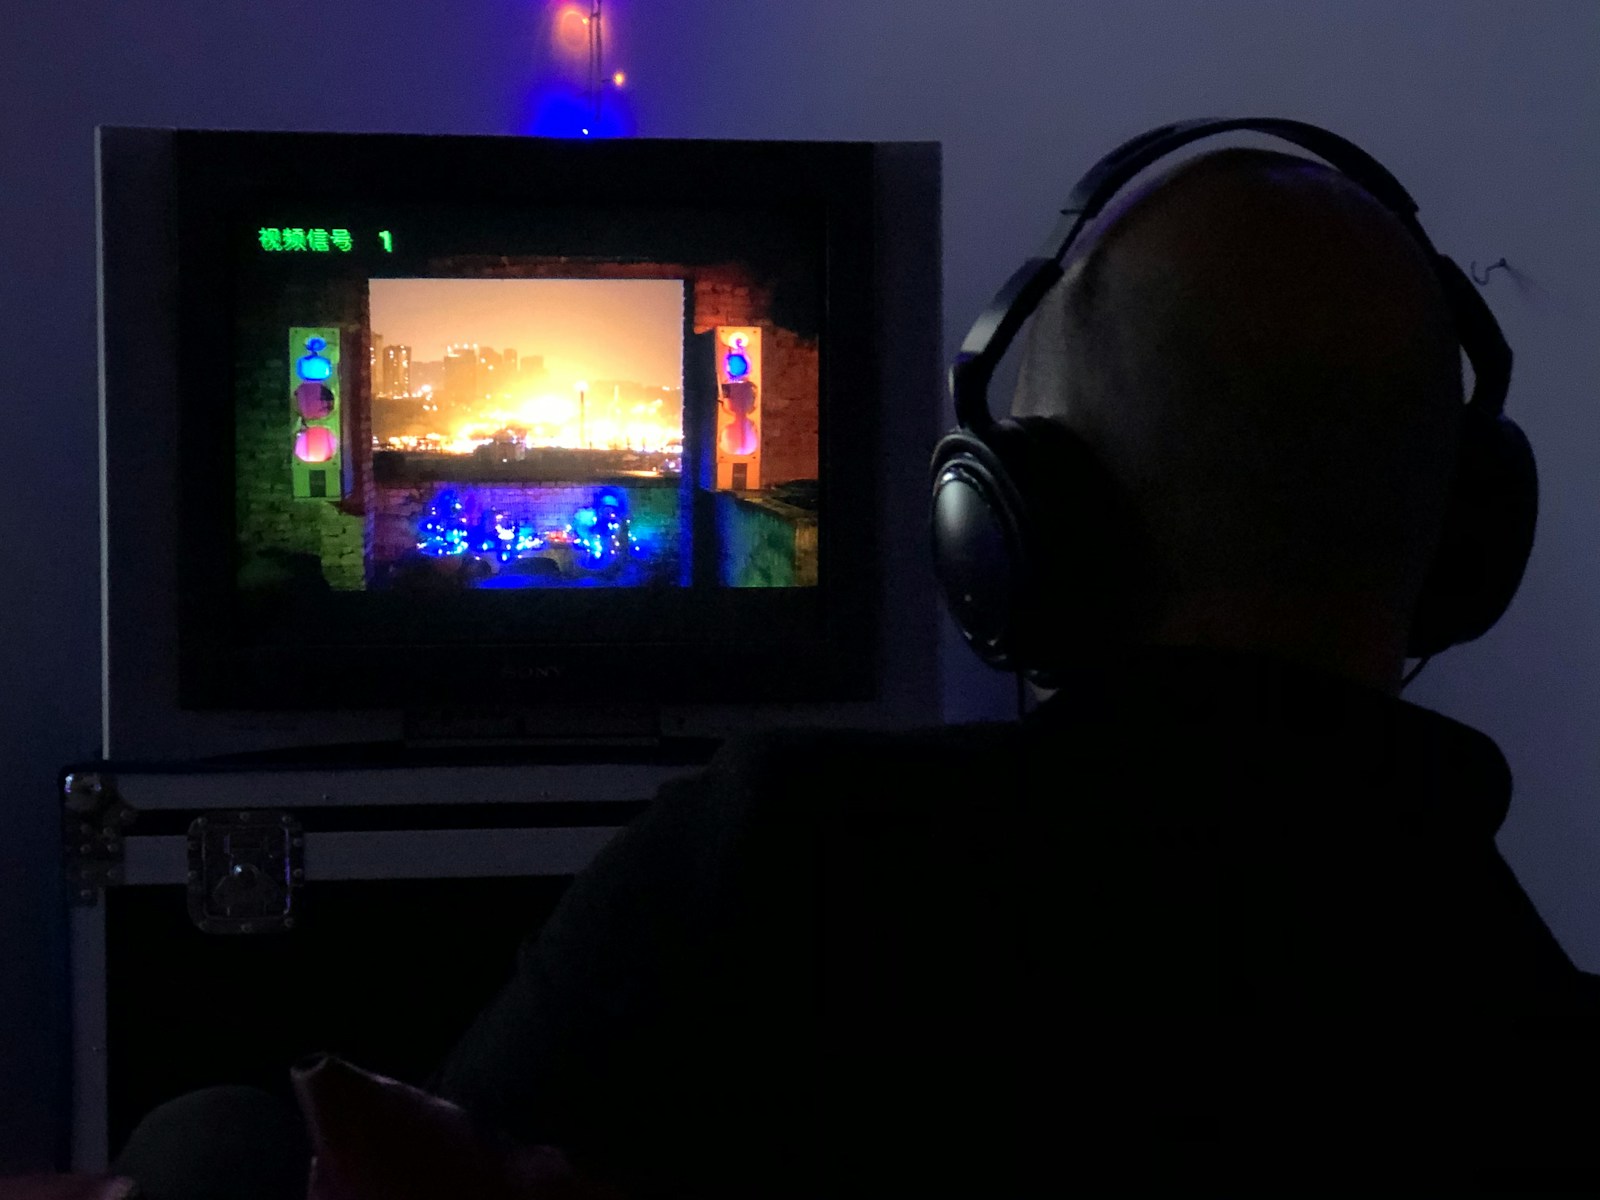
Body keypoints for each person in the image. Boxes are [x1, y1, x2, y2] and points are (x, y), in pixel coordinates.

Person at [430, 145, 1600, 1195]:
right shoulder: (1533, 1028)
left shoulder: (773, 856)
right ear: (1465, 539)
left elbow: (405, 1164)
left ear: (998, 526)